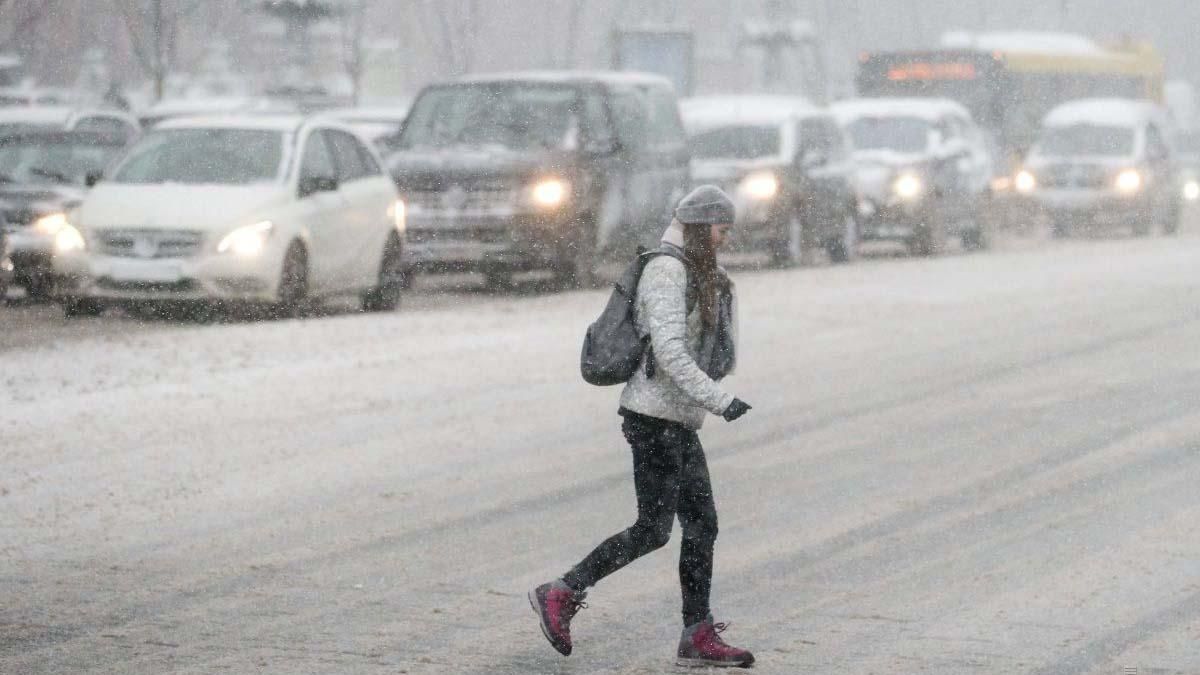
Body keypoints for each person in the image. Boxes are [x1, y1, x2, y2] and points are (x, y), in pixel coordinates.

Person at [530, 185, 755, 669]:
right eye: (721, 230)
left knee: (702, 525)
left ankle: (696, 633)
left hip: (675, 421)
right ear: (700, 229)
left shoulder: (698, 272)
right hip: (653, 421)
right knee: (652, 529)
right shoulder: (666, 272)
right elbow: (670, 352)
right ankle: (561, 591)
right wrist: (721, 400)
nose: (726, 239)